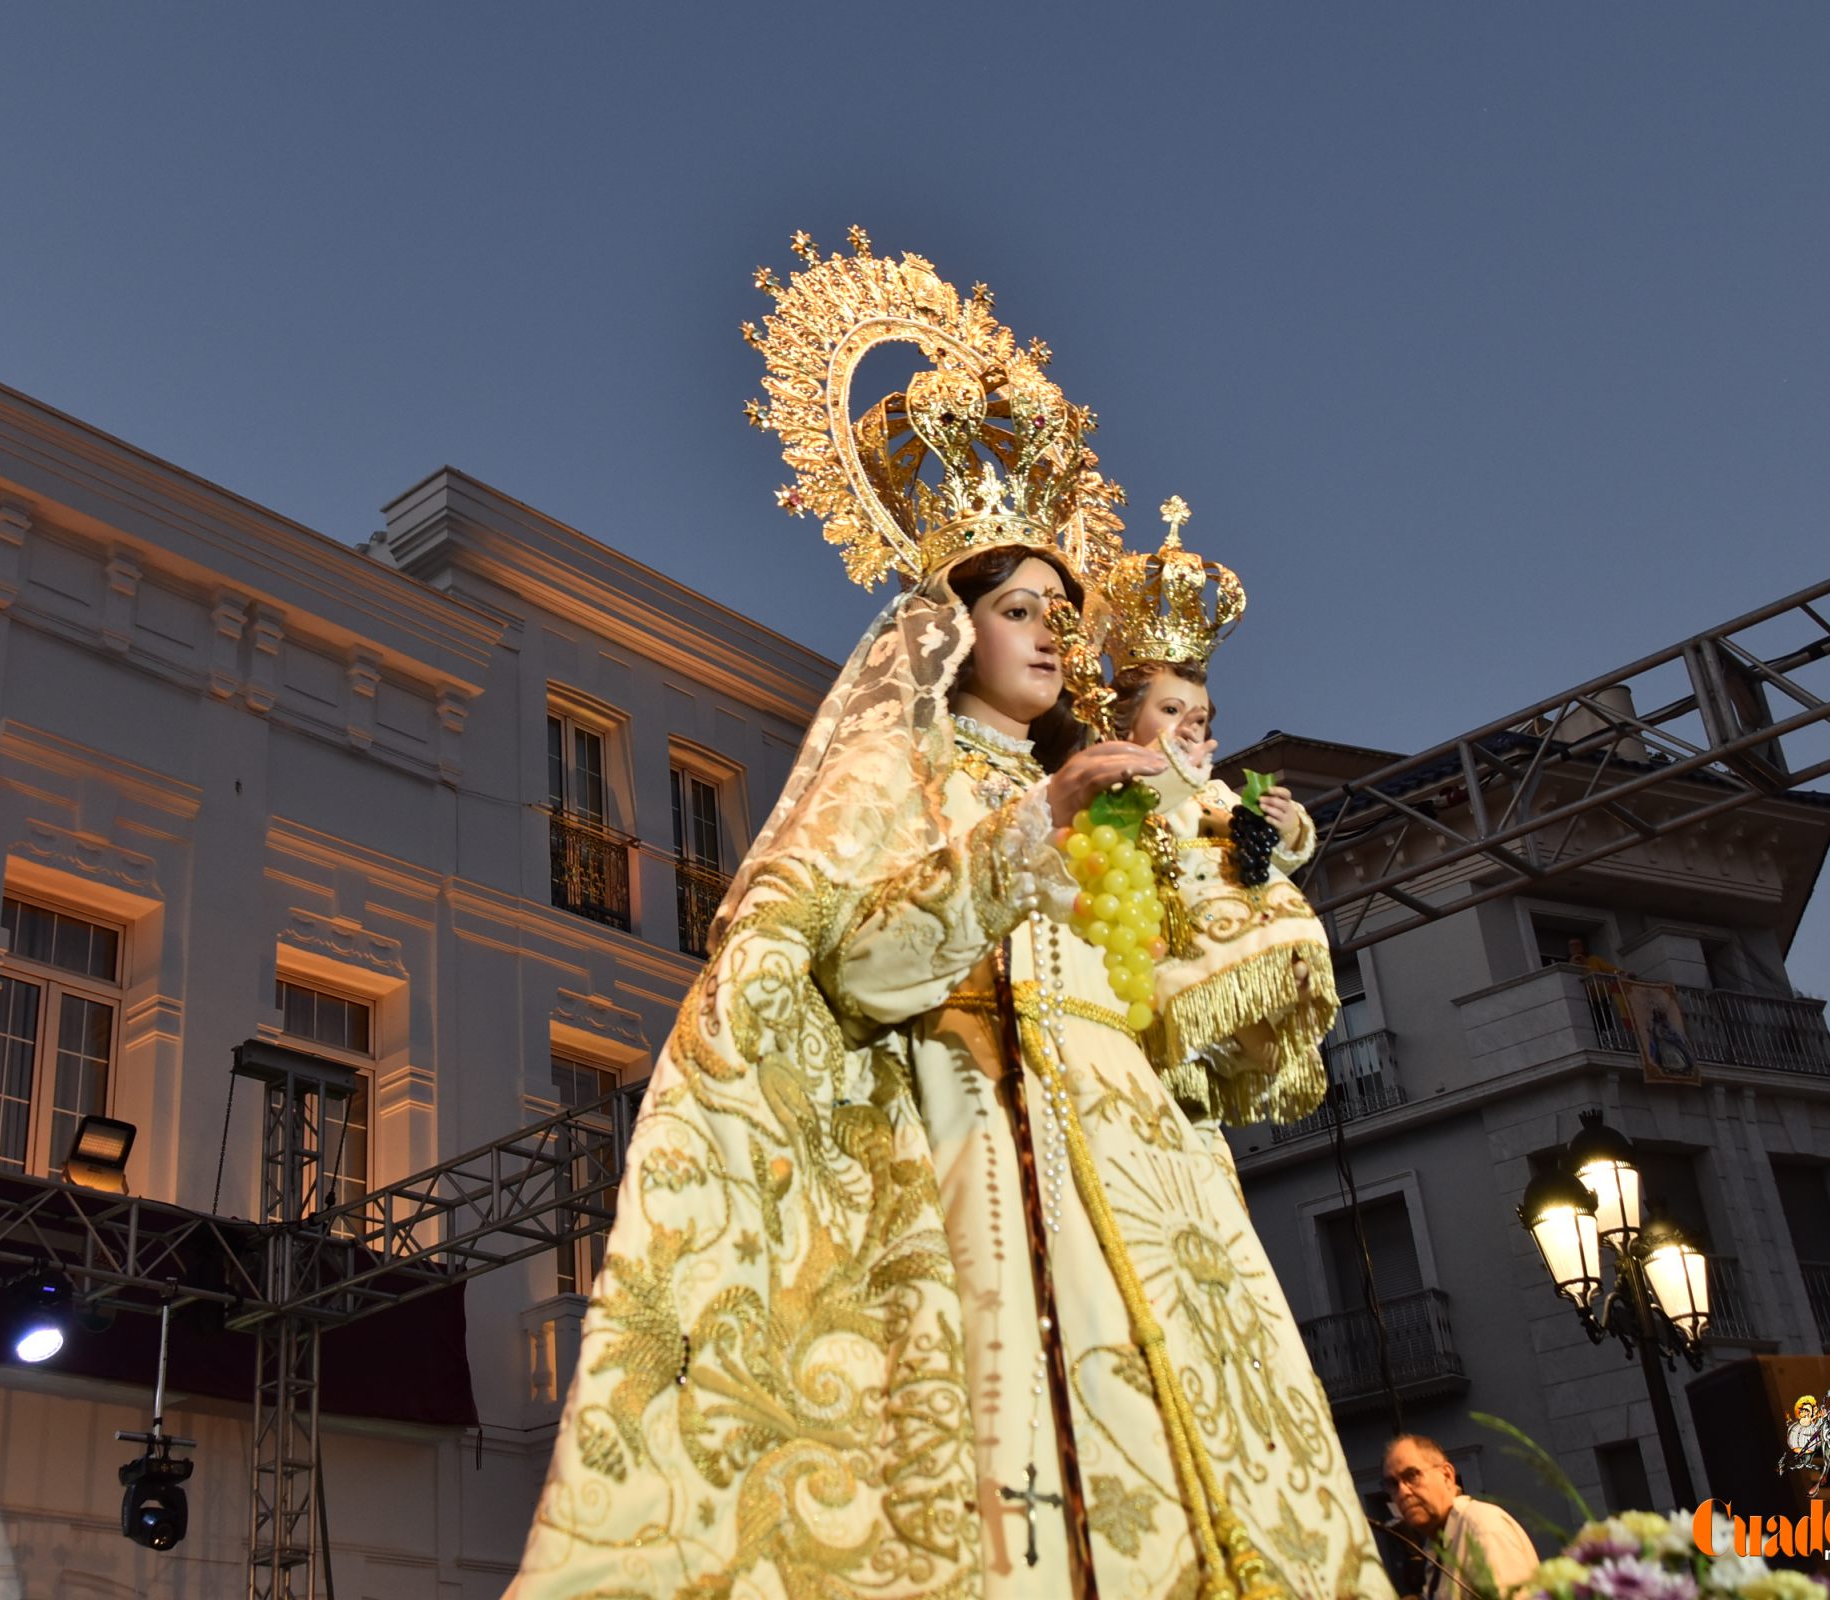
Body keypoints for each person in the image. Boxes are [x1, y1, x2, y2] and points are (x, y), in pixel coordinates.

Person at [507, 235, 1391, 1598]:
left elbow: (1181, 1008)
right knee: (996, 1473)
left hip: (1133, 1165)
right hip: (969, 1136)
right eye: (1021, 608)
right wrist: (1020, 835)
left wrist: (1243, 880)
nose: (1051, 634)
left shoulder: (1097, 799)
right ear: (949, 626)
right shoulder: (894, 771)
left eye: (1063, 615)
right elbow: (854, 957)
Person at [1098, 505, 1336, 1130]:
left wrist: (1283, 827)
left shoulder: (1217, 792)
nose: (1188, 727)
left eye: (1199, 718)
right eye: (1171, 710)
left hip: (1232, 921)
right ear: (1129, 718)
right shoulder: (1107, 774)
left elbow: (1262, 844)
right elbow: (1117, 826)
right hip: (1151, 936)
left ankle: (1261, 1027)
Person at [1378, 1435, 1539, 1600]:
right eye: (1392, 1484)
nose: (1402, 1492)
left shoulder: (1482, 1527)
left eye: (1412, 1475)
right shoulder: (1436, 1543)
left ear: (1447, 1475)